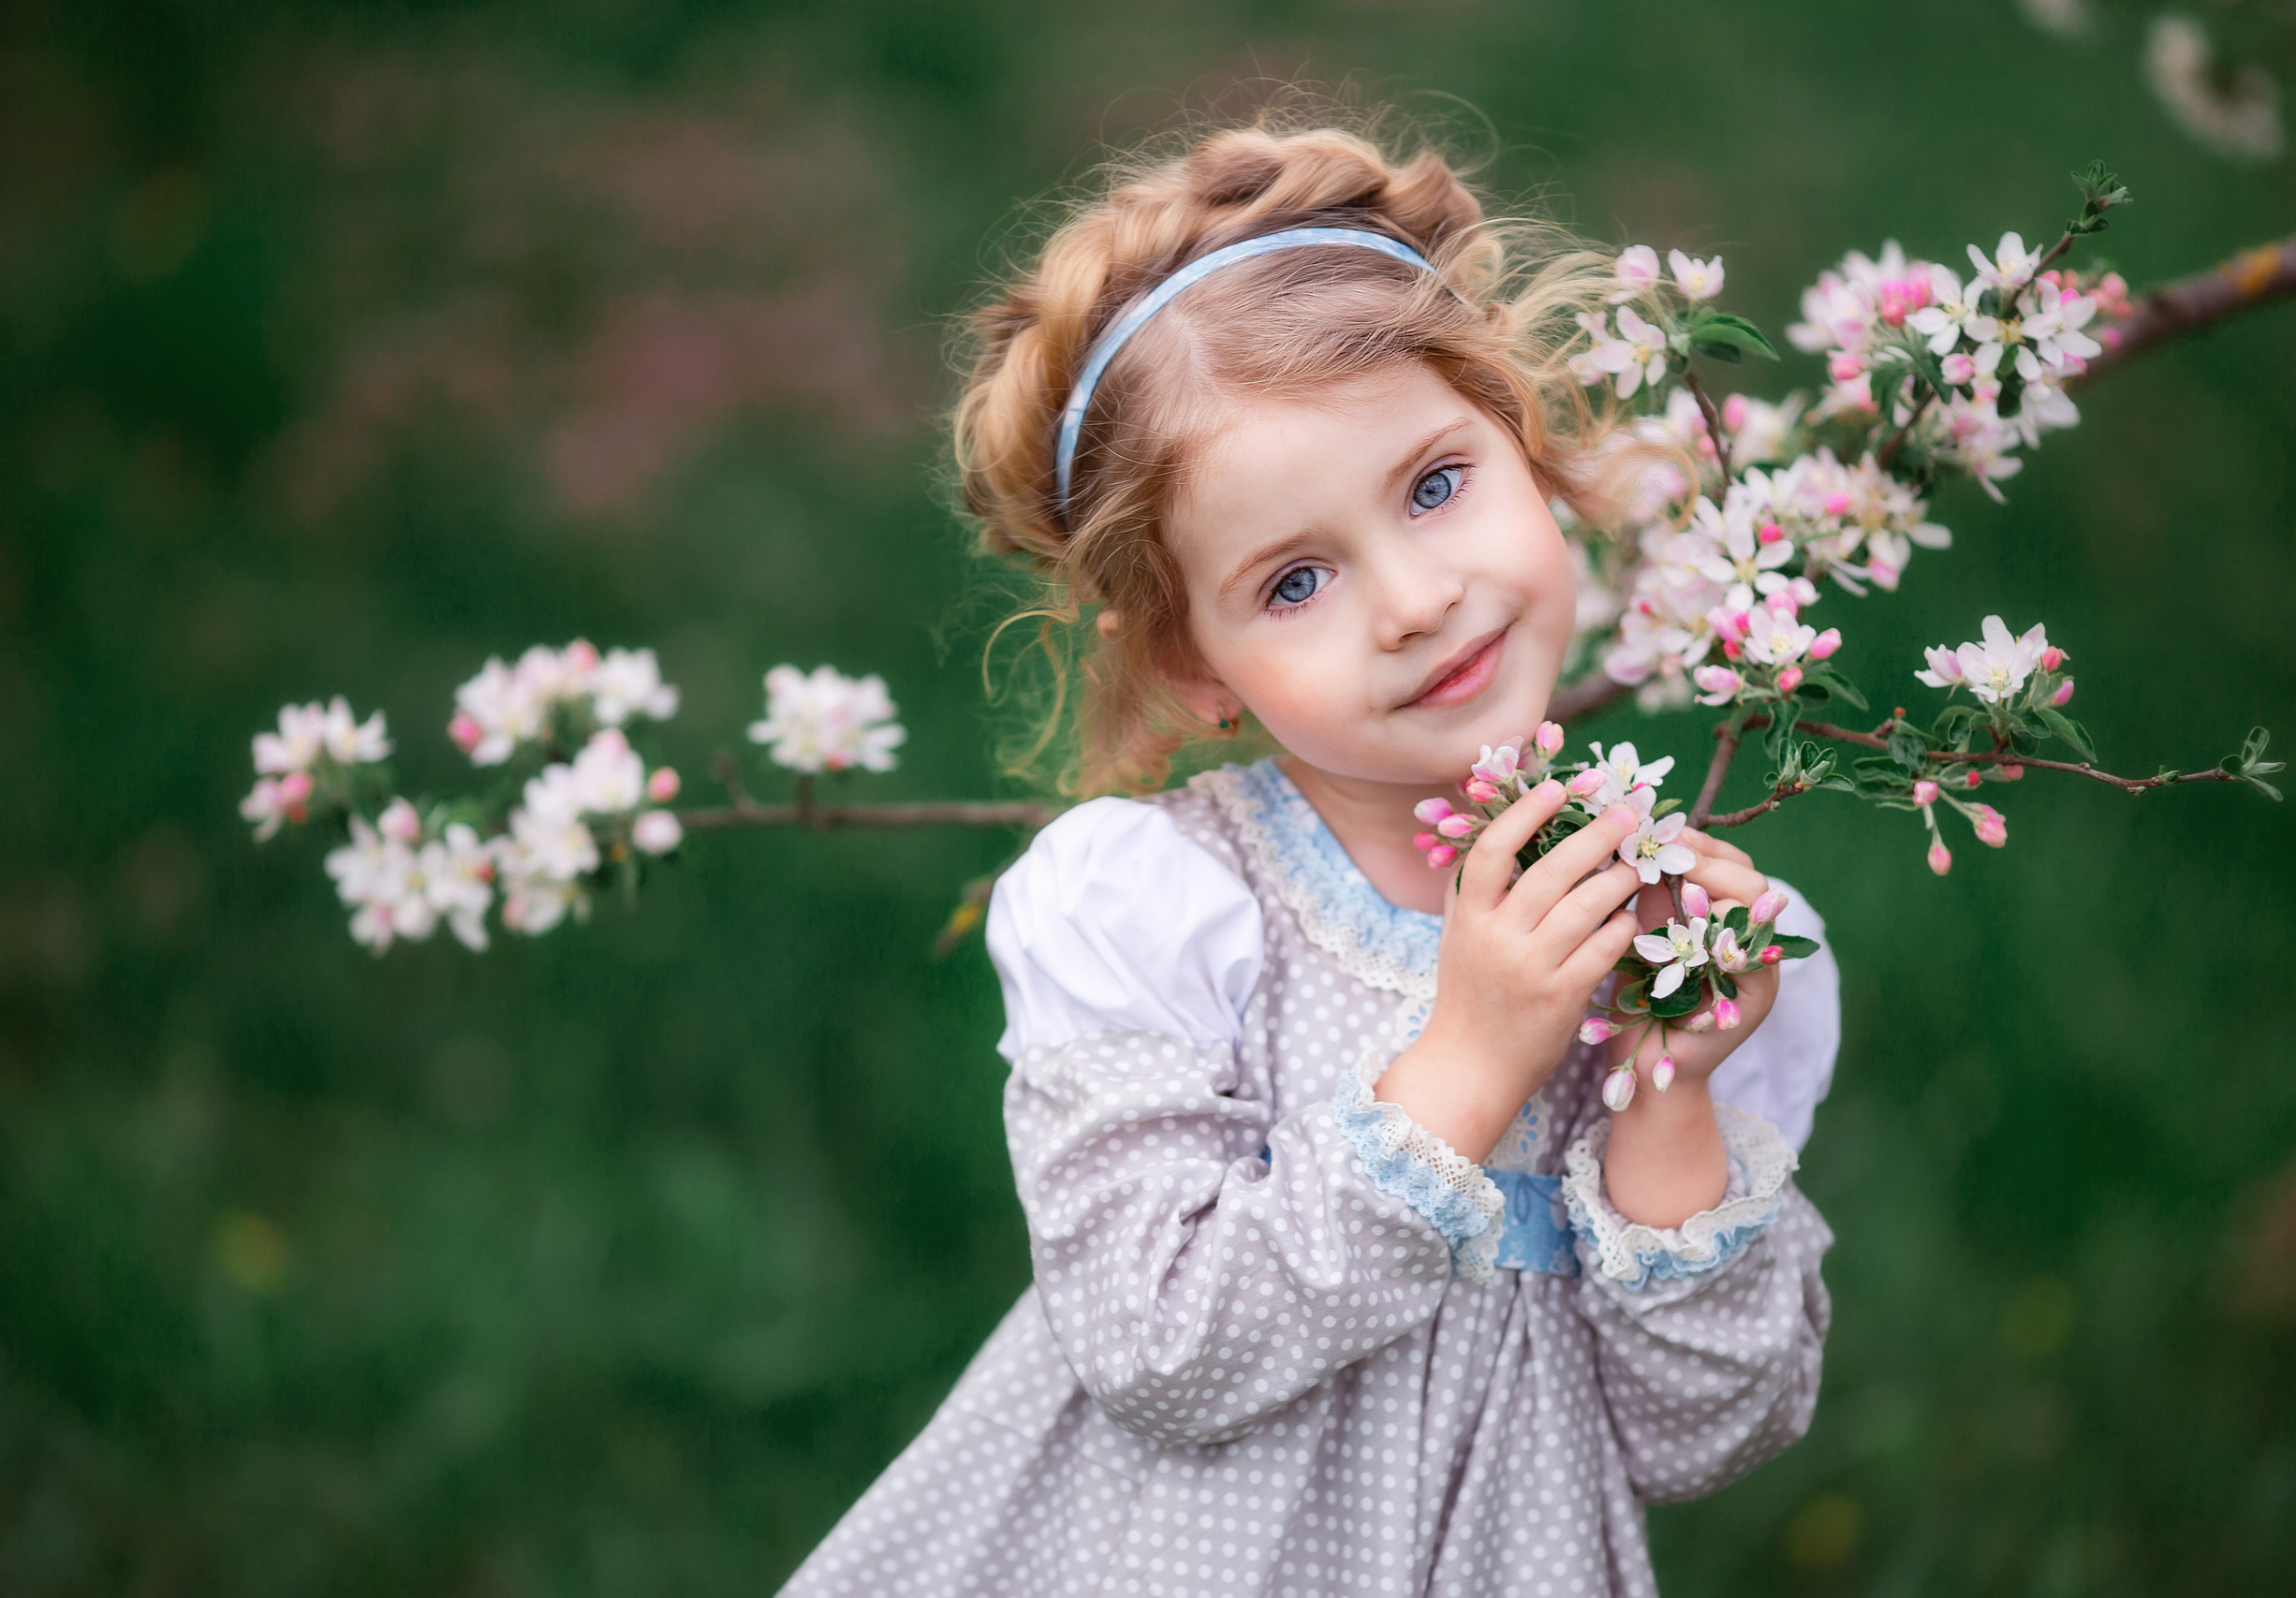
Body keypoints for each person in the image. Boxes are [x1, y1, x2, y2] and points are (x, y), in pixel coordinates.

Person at [780, 114, 1841, 1597]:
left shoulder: (1679, 933)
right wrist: (1466, 1068)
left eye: (1433, 486)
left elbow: (1703, 1434)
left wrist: (1669, 1096)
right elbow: (1156, 1349)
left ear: (1525, 444)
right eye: (1293, 581)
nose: (1412, 601)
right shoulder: (1161, 906)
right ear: (1191, 661)